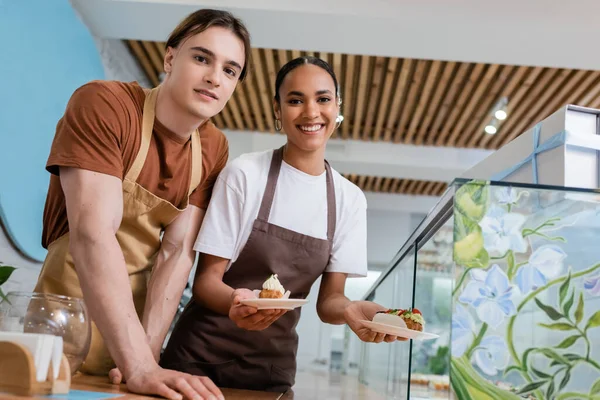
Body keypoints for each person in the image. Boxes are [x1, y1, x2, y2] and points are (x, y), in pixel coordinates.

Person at [33, 8, 251, 400]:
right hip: (58, 334)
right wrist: (139, 365)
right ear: (170, 58)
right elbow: (93, 235)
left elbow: (177, 253)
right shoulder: (105, 105)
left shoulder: (213, 148)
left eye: (230, 70)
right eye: (201, 58)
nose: (214, 77)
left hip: (132, 349)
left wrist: (145, 357)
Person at [160, 56, 403, 393]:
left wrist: (350, 310)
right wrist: (237, 303)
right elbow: (205, 282)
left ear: (337, 106)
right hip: (197, 362)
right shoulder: (244, 175)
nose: (310, 112)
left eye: (322, 99)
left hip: (270, 373)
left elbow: (329, 301)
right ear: (277, 109)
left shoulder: (349, 200)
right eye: (294, 100)